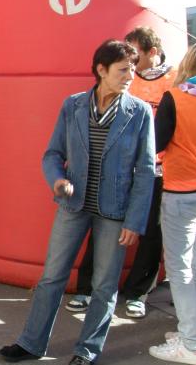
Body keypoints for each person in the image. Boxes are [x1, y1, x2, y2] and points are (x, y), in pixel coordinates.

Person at [0, 39, 155, 365]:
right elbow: (53, 154)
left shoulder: (140, 112)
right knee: (52, 277)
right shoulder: (73, 106)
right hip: (73, 205)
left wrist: (135, 221)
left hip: (116, 212)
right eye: (123, 69)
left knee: (104, 285)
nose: (130, 75)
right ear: (101, 70)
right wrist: (57, 180)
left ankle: (87, 351)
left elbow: (145, 172)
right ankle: (31, 343)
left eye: (132, 68)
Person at [67, 27, 174, 318]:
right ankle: (87, 289)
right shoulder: (124, 78)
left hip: (158, 170)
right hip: (119, 168)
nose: (130, 67)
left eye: (136, 56)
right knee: (101, 224)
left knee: (149, 232)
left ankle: (137, 293)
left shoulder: (174, 80)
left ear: (152, 52)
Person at [148, 43, 196, 365]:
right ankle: (192, 333)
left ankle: (191, 344)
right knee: (195, 267)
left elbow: (156, 141)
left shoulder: (176, 97)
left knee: (180, 269)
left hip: (181, 191)